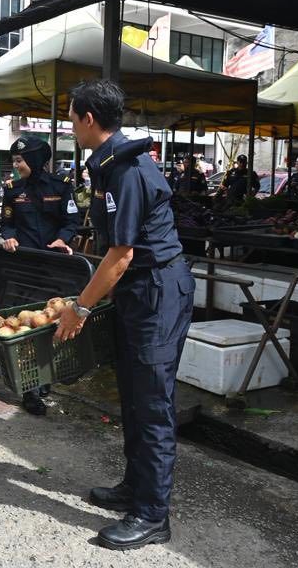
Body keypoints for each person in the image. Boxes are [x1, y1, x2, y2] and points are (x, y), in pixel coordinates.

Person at [57, 78, 194, 551]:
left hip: (157, 291)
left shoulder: (128, 170)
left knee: (152, 403)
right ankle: (136, 487)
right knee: (134, 396)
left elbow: (122, 256)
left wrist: (80, 307)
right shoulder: (110, 164)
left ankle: (153, 516)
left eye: (71, 118)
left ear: (88, 118)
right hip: (139, 291)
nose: (70, 126)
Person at [0, 137, 78, 415]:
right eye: (15, 160)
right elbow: (7, 223)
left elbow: (71, 221)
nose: (16, 165)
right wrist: (8, 237)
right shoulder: (13, 190)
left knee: (50, 323)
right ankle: (30, 389)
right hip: (24, 271)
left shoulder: (61, 187)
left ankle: (45, 377)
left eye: (20, 160)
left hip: (54, 270)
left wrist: (63, 239)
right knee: (27, 326)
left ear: (34, 160)